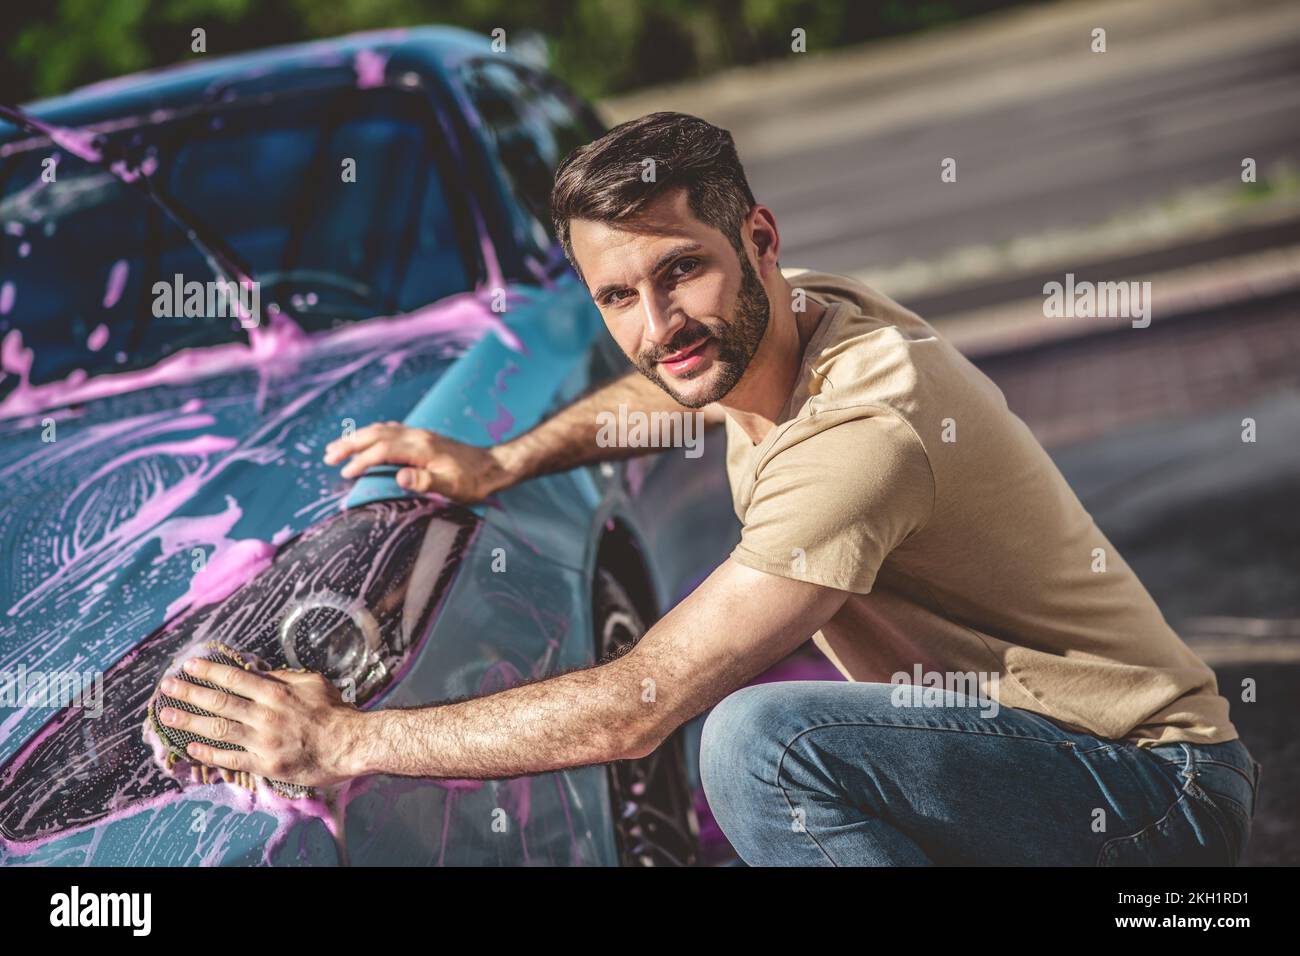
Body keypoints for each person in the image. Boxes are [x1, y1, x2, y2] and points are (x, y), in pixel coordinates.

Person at [157, 111, 1261, 865]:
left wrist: (343, 741)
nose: (655, 322)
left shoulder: (861, 433)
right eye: (618, 295)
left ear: (758, 239)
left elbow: (643, 704)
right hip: (1028, 752)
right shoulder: (793, 322)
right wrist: (502, 462)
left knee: (758, 743)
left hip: (1149, 789)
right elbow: (670, 385)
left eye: (679, 269)